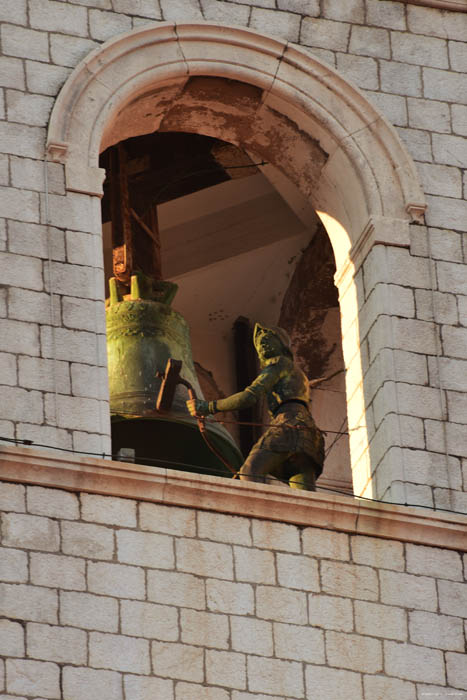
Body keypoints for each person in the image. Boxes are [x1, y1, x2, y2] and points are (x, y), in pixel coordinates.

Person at [187, 323, 324, 490]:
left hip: (287, 425)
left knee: (249, 473)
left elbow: (249, 396)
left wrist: (208, 407)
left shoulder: (279, 363)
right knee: (305, 494)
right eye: (259, 343)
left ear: (281, 344)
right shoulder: (298, 374)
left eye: (267, 339)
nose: (262, 345)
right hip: (310, 434)